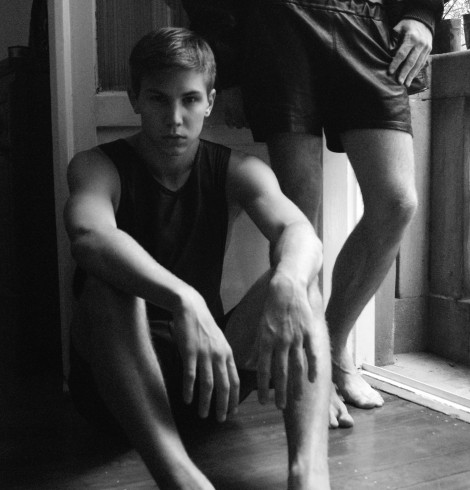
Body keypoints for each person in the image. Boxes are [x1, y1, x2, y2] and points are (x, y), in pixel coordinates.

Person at [64, 27, 331, 490]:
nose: (174, 118)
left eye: (189, 100)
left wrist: (287, 281)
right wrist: (183, 298)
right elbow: (89, 236)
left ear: (209, 102)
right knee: (106, 290)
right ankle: (182, 479)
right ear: (134, 99)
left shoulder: (238, 170)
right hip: (119, 396)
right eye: (158, 99)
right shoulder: (97, 166)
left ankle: (308, 475)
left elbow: (299, 232)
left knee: (300, 283)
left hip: (209, 381)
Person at [184, 0, 445, 428]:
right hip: (279, 19)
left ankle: (334, 343)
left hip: (367, 21)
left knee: (397, 202)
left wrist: (423, 13)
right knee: (298, 224)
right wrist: (225, 67)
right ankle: (311, 369)